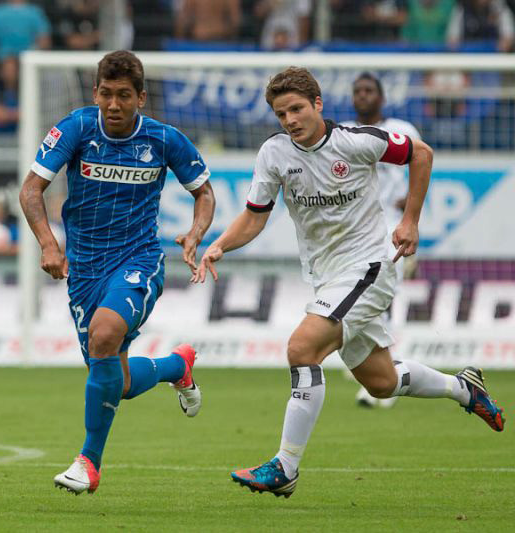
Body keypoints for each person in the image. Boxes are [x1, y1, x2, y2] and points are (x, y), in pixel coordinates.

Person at [193, 67, 505, 499]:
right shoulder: (274, 153)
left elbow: (422, 154)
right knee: (381, 381)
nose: (290, 120)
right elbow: (254, 215)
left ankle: (285, 467)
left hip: (369, 266)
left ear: (318, 104)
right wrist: (220, 245)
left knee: (301, 349)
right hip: (328, 277)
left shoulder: (356, 141)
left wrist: (410, 221)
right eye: (281, 114)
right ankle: (464, 389)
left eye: (297, 109)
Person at [19, 50, 216, 495]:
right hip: (85, 269)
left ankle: (88, 463)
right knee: (118, 381)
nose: (113, 104)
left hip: (138, 261)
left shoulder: (164, 139)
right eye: (106, 94)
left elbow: (204, 192)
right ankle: (176, 365)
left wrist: (195, 233)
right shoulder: (76, 128)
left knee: (105, 334)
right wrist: (48, 244)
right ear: (95, 93)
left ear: (140, 98)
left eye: (124, 95)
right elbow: (31, 189)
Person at [341, 72, 422, 408]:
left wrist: (412, 208)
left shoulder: (403, 130)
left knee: (383, 296)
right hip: (354, 229)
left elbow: (421, 165)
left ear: (381, 97)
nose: (362, 95)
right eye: (357, 91)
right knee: (358, 298)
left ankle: (386, 377)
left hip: (392, 226)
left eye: (368, 90)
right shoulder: (342, 132)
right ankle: (380, 373)